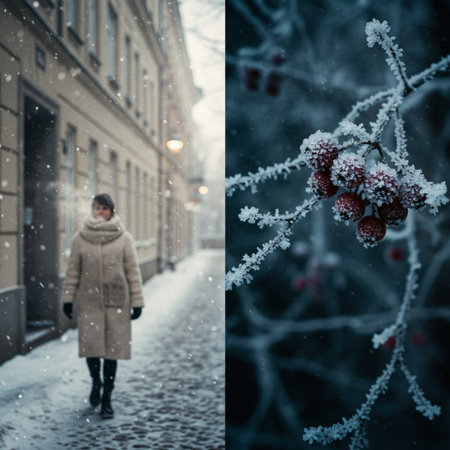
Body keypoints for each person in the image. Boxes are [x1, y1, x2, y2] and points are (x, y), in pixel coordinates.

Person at [62, 193, 144, 419]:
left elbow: (132, 272)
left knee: (112, 353)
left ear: (112, 211)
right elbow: (73, 272)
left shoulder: (124, 238)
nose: (100, 212)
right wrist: (68, 298)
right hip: (90, 303)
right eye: (97, 207)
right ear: (92, 209)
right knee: (92, 350)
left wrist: (137, 302)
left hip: (117, 302)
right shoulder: (80, 238)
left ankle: (107, 397)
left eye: (105, 208)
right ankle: (95, 382)